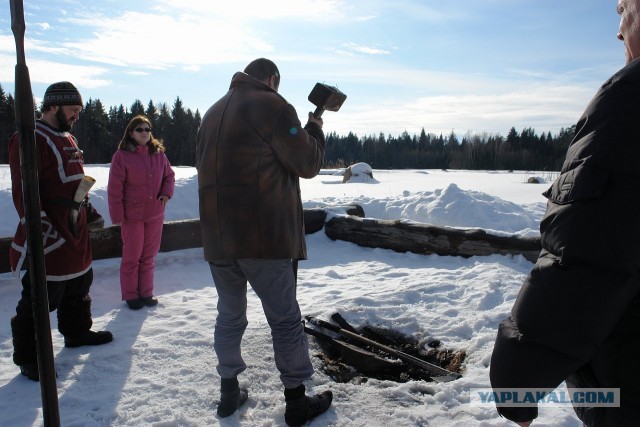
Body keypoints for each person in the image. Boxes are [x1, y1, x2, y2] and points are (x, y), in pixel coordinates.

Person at [490, 2, 640, 426]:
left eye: (622, 10)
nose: (617, 31)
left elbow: (584, 256)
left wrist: (517, 378)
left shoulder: (630, 99)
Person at [196, 58, 333, 425]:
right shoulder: (272, 105)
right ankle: (296, 401)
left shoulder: (211, 113)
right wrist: (315, 127)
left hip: (219, 238)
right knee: (285, 320)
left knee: (229, 314)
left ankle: (229, 392)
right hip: (264, 236)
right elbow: (307, 163)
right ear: (272, 79)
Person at [8, 81, 113, 381]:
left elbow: (76, 183)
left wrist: (88, 212)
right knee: (42, 296)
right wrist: (40, 228)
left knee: (79, 283)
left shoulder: (68, 137)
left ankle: (77, 332)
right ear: (53, 106)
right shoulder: (29, 138)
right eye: (73, 110)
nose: (77, 115)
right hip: (51, 231)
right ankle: (29, 357)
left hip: (75, 226)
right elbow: (24, 191)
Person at [107, 115, 175, 310]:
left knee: (148, 256)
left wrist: (166, 194)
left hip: (155, 214)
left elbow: (169, 176)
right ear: (131, 133)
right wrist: (118, 216)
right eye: (140, 129)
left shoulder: (159, 154)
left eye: (147, 129)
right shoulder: (121, 156)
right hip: (132, 216)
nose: (144, 132)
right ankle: (131, 295)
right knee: (132, 257)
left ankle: (146, 293)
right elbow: (114, 188)